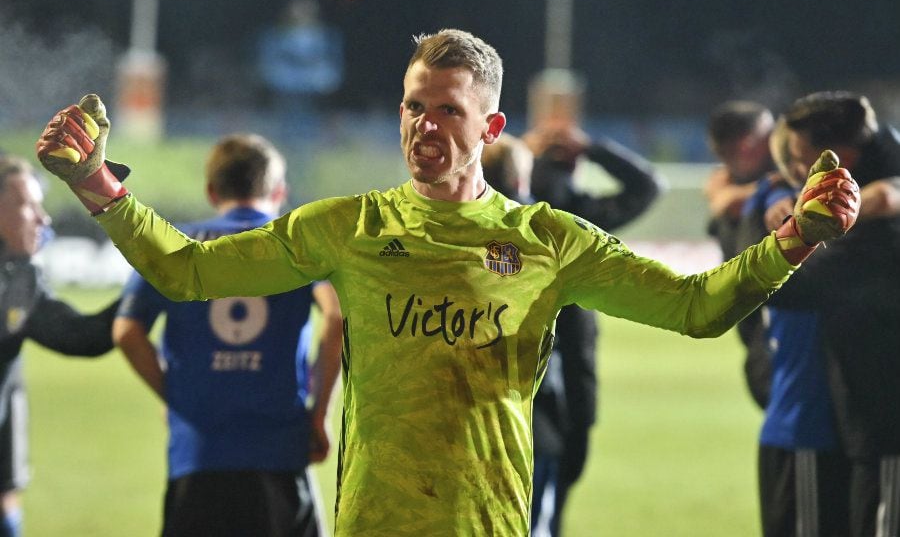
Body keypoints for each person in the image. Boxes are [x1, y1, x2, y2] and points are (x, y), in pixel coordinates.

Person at [35, 29, 861, 536]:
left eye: (447, 111)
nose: (423, 126)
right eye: (411, 107)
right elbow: (186, 272)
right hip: (370, 525)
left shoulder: (547, 240)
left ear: (491, 126)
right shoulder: (348, 227)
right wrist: (99, 185)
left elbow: (695, 307)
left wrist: (790, 241)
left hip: (489, 524)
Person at [111, 134, 343, 537]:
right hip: (279, 452)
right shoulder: (296, 243)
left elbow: (126, 332)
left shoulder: (175, 244)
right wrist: (319, 412)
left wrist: (175, 396)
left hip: (199, 456)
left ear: (211, 191)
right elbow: (337, 317)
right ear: (279, 191)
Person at [484, 123, 665, 536]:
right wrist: (593, 148)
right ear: (521, 175)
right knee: (543, 512)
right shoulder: (565, 220)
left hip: (489, 399)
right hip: (556, 393)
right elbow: (648, 187)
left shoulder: (463, 232)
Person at [761, 92, 900, 537]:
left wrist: (790, 237)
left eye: (805, 159)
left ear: (843, 153)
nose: (801, 171)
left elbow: (796, 290)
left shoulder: (878, 221)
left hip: (886, 419)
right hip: (860, 417)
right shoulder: (870, 173)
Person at [0, 154, 117, 536]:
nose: (43, 218)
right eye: (27, 206)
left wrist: (149, 289)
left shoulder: (20, 280)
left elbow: (83, 337)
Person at [704, 100, 776, 410]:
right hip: (762, 322)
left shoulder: (766, 184)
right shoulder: (765, 186)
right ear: (749, 144)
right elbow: (724, 201)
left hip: (778, 319)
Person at [257, 0, 344, 141]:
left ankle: (312, 143)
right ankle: (285, 141)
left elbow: (332, 64)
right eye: (299, 9)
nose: (303, 13)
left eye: (307, 9)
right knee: (286, 118)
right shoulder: (277, 35)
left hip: (313, 88)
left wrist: (322, 77)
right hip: (286, 86)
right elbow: (269, 63)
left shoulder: (326, 36)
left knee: (311, 120)